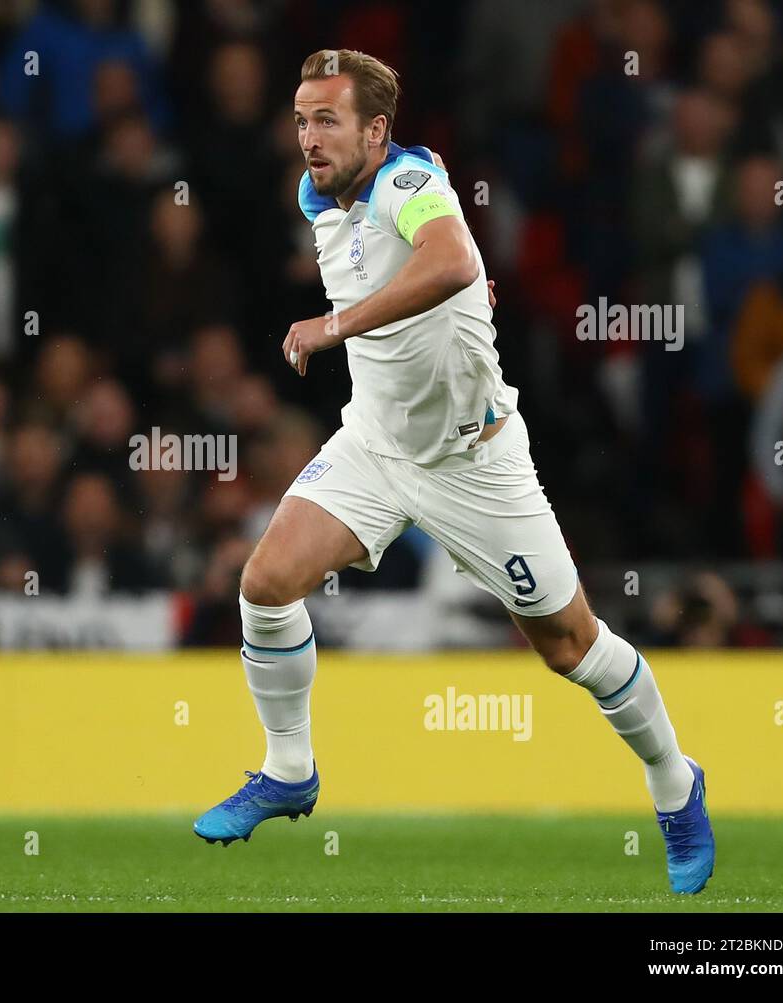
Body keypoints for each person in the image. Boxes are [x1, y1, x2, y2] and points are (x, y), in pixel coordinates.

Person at [193, 50, 714, 895]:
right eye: (299, 119)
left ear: (376, 130)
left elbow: (452, 261)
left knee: (570, 647)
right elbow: (434, 271)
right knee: (266, 580)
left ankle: (675, 784)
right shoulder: (316, 195)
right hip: (376, 443)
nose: (308, 138)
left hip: (475, 461)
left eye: (326, 120)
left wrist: (336, 325)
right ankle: (288, 769)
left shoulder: (407, 181)